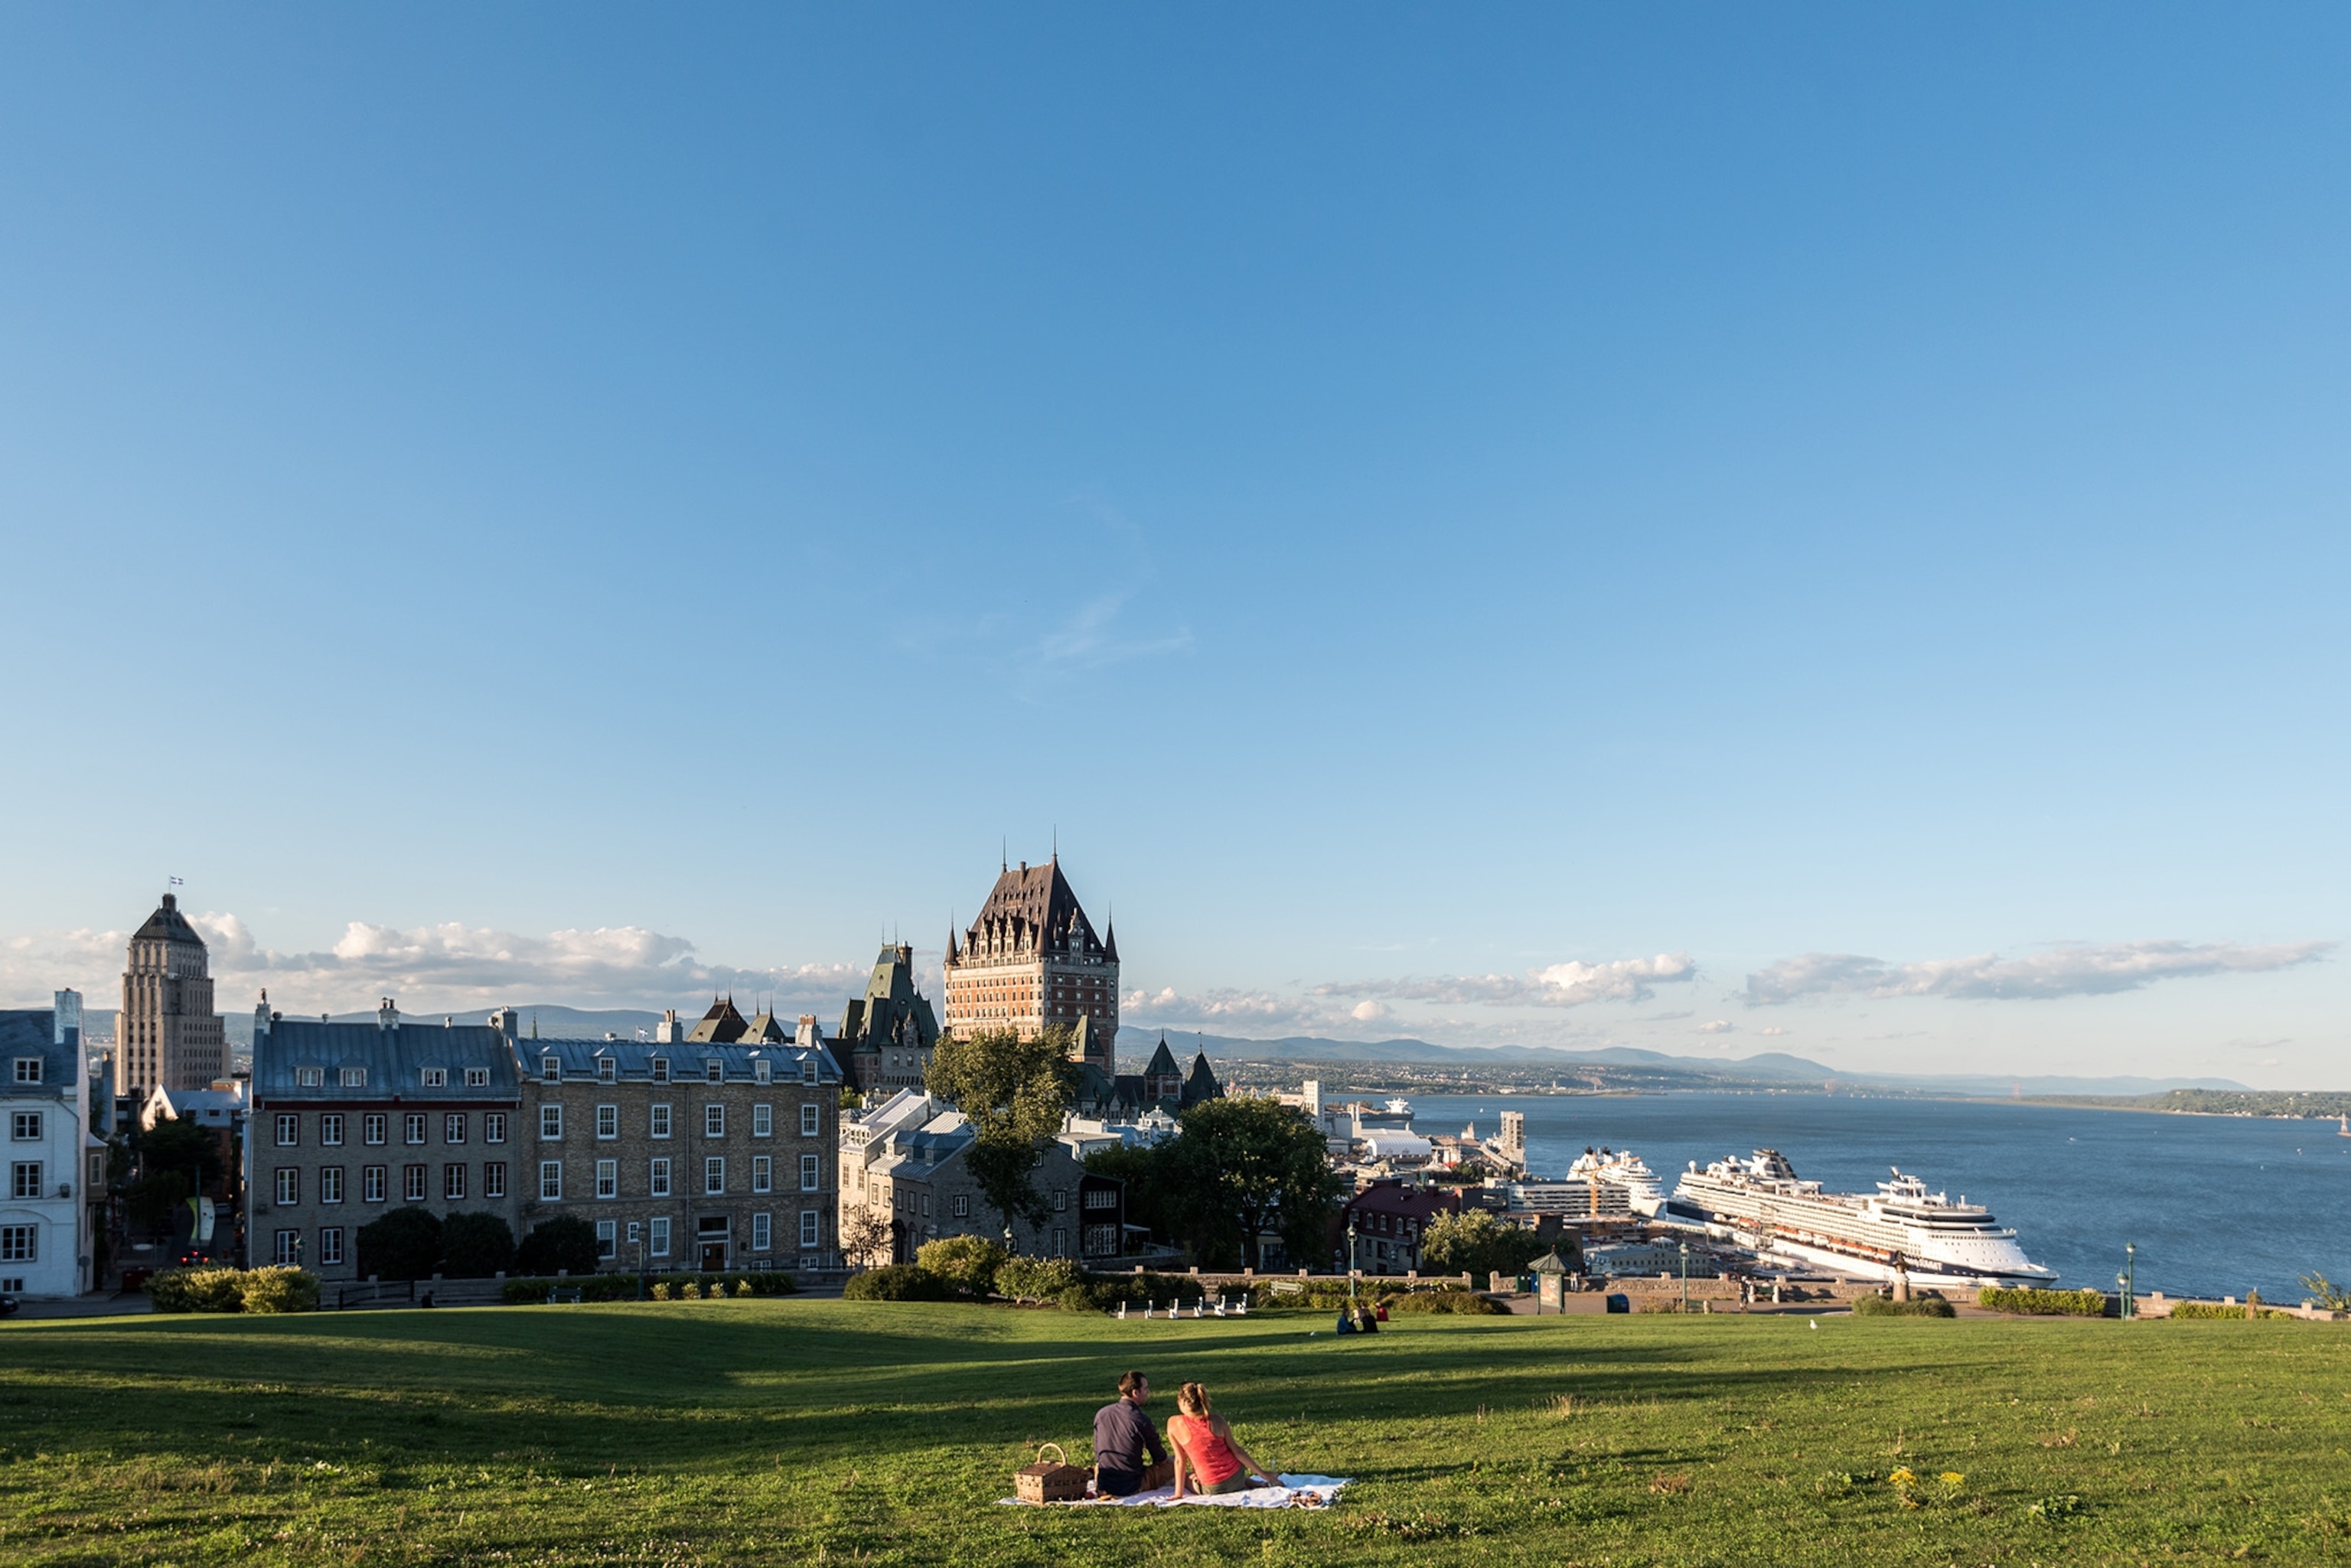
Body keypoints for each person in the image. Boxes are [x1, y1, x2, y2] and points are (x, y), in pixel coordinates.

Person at [1169, 1382, 1276, 1498]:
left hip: (1212, 1488)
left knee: (1186, 1478)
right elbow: (1237, 1452)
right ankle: (1254, 1483)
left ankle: (1251, 1483)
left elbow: (1180, 1461)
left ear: (1183, 1402)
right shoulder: (1217, 1421)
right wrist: (1264, 1474)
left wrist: (1178, 1494)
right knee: (1226, 1472)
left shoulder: (1174, 1425)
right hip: (1237, 1478)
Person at [1092, 1370, 1169, 1498]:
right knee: (1174, 1463)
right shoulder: (1139, 1420)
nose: (1148, 1392)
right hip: (1131, 1485)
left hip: (1104, 1483)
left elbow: (1098, 1453)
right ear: (1135, 1392)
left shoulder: (1102, 1414)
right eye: (1145, 1389)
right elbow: (1160, 1457)